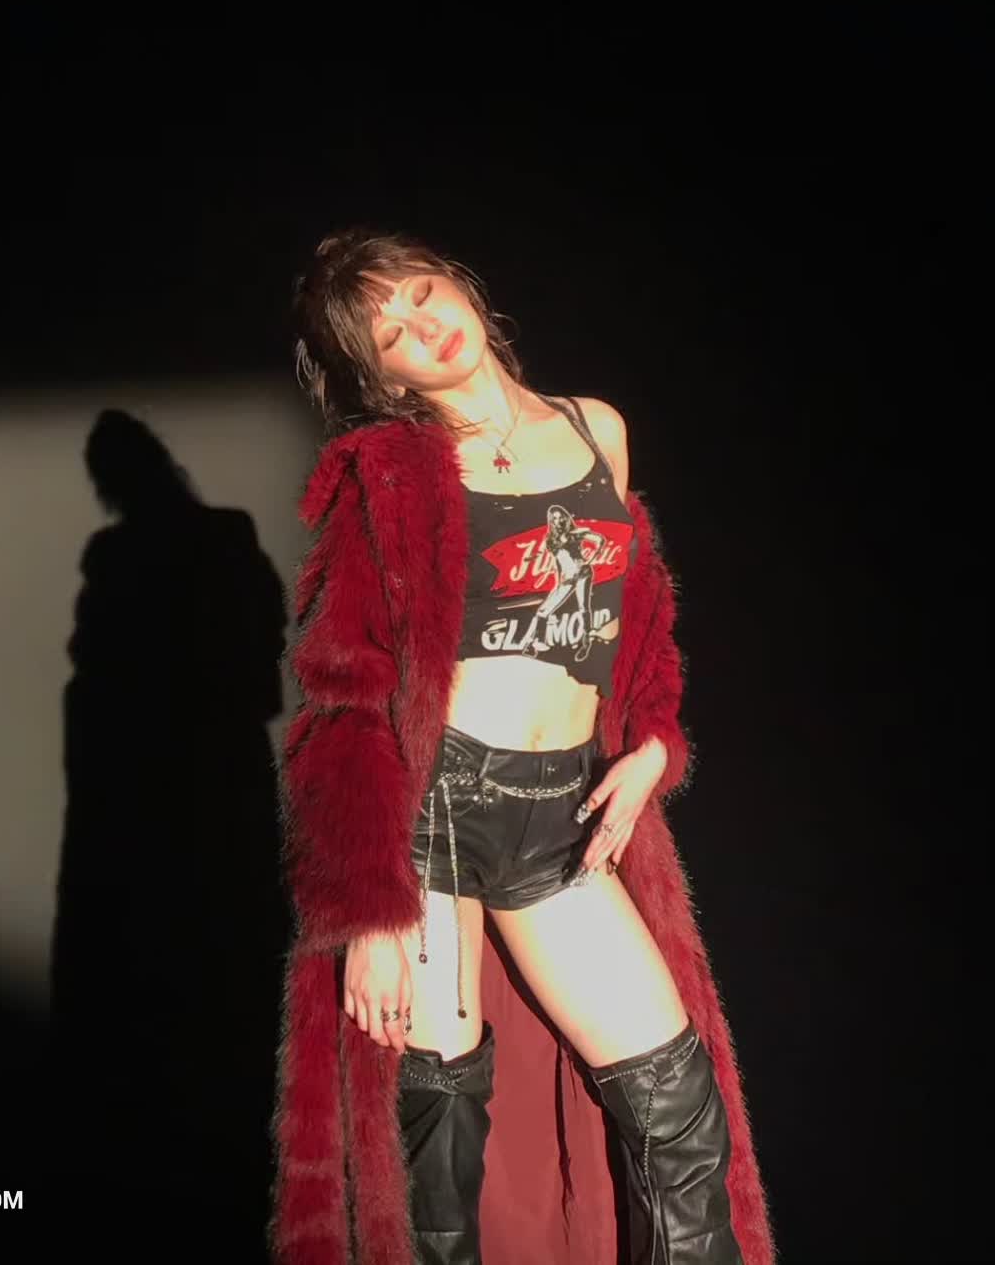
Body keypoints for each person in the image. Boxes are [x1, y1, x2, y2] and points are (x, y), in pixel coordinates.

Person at [268, 230, 773, 1265]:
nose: (424, 327)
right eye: (391, 333)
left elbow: (635, 624)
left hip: (559, 818)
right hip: (434, 823)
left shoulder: (595, 430)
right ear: (383, 378)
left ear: (459, 284)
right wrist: (368, 911)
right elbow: (345, 698)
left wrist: (654, 746)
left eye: (421, 294)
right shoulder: (393, 474)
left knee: (679, 1109)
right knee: (439, 1149)